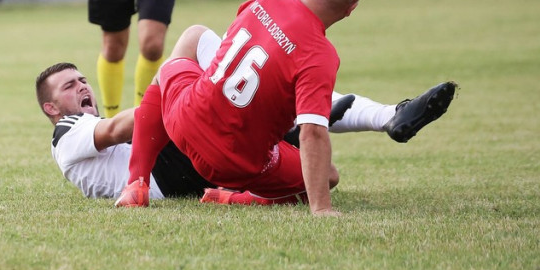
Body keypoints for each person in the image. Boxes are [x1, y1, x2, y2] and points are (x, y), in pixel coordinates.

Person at [118, 0, 441, 215]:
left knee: (189, 41)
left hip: (183, 119)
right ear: (351, 8)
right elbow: (312, 132)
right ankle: (237, 198)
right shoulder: (320, 55)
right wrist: (322, 208)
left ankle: (136, 183)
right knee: (327, 177)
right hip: (228, 162)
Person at [35, 43, 457, 201]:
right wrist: (211, 88)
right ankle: (385, 115)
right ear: (51, 108)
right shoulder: (66, 135)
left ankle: (389, 117)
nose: (83, 86)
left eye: (82, 79)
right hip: (169, 166)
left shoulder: (79, 130)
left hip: (188, 172)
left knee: (323, 177)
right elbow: (120, 128)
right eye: (70, 86)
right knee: (197, 43)